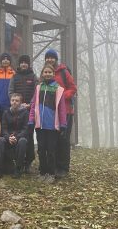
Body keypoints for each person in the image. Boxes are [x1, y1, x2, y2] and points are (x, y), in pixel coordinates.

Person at [29, 64, 67, 184]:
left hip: (52, 126)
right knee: (41, 149)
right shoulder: (39, 88)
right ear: (42, 74)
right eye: (45, 72)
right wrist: (31, 120)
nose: (47, 74)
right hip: (40, 126)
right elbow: (33, 105)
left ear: (53, 74)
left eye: (49, 72)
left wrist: (63, 124)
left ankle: (51, 173)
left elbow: (62, 108)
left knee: (51, 150)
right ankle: (42, 172)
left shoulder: (58, 89)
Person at [44, 48, 76, 178]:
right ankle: (55, 166)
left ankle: (63, 168)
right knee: (54, 140)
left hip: (66, 111)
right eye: (48, 58)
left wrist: (61, 96)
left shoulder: (63, 72)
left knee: (64, 140)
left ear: (56, 59)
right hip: (52, 113)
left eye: (52, 57)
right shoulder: (45, 73)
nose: (50, 60)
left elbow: (73, 88)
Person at [9, 54, 37, 170]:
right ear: (19, 64)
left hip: (30, 111)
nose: (24, 64)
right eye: (22, 62)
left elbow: (36, 92)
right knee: (16, 134)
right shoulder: (14, 77)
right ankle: (16, 159)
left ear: (28, 64)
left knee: (29, 136)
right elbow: (10, 92)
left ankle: (28, 161)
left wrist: (30, 104)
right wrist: (19, 104)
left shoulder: (33, 76)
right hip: (17, 111)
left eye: (26, 62)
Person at [0, 93, 29, 178]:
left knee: (23, 141)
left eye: (17, 101)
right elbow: (4, 128)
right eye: (13, 100)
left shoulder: (25, 113)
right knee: (0, 140)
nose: (14, 102)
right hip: (8, 137)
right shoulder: (6, 112)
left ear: (20, 102)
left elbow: (25, 129)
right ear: (10, 101)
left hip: (19, 137)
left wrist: (16, 137)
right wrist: (8, 137)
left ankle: (18, 169)